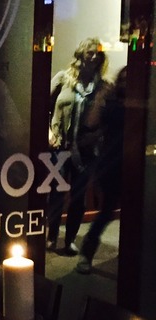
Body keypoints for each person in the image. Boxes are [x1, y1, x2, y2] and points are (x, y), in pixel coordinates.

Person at [46, 37, 110, 256]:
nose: (93, 56)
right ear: (81, 53)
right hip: (60, 148)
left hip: (85, 152)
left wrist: (97, 136)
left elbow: (108, 121)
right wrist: (49, 132)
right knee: (55, 193)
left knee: (78, 197)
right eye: (90, 52)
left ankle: (70, 239)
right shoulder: (63, 79)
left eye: (97, 54)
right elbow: (41, 104)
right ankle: (51, 235)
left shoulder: (102, 86)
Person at [76, 67, 126, 274]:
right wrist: (100, 98)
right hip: (112, 163)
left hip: (135, 163)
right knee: (106, 211)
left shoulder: (140, 102)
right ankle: (87, 253)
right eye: (123, 79)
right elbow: (91, 122)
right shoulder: (113, 104)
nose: (126, 84)